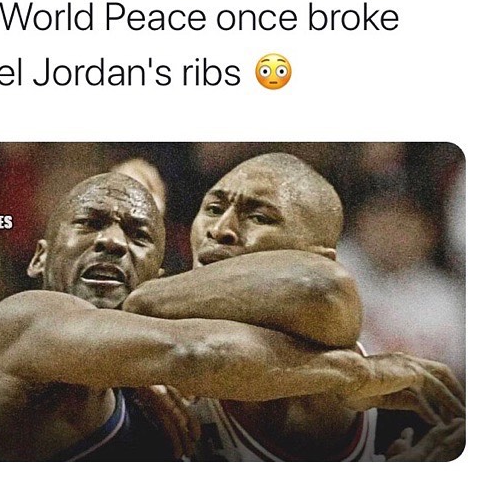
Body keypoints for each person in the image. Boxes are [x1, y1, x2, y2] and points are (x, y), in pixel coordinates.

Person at [0, 170, 464, 462]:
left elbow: (321, 289)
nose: (113, 242)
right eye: (90, 223)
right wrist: (356, 373)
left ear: (160, 273)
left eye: (138, 234)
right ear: (38, 258)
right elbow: (189, 353)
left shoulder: (150, 387)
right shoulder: (20, 320)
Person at [124, 153, 465, 461]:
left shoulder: (327, 376)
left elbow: (320, 287)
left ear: (317, 258)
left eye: (259, 217)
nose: (221, 229)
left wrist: (135, 304)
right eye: (213, 209)